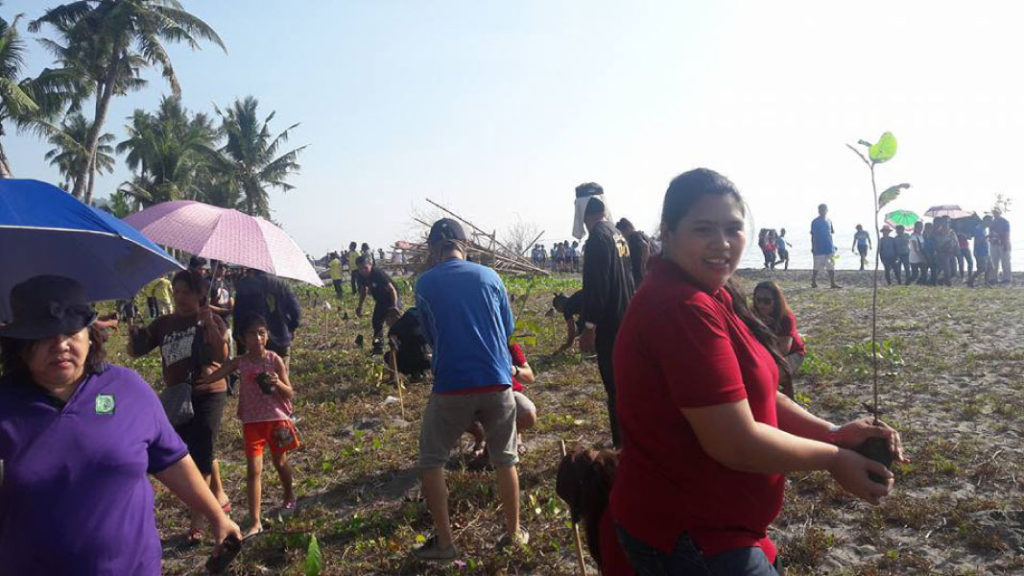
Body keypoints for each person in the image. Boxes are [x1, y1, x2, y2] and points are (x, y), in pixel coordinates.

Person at [610, 168, 906, 575]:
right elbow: (734, 440)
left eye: (734, 228)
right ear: (668, 231)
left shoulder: (715, 292)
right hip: (689, 535)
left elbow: (759, 394)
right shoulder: (681, 307)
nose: (722, 244)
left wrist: (833, 433)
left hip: (725, 528)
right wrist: (834, 459)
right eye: (703, 229)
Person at [0, 275, 242, 574]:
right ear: (20, 346)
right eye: (44, 336)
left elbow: (171, 459)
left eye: (71, 332)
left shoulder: (127, 389)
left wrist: (217, 517)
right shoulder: (7, 405)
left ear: (89, 335)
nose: (60, 345)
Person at [412, 218, 526, 560]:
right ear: (467, 245)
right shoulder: (491, 277)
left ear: (433, 250)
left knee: (431, 461)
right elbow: (506, 329)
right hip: (497, 379)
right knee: (505, 458)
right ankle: (513, 533)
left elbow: (430, 336)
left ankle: (445, 545)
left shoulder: (425, 283)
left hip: (452, 384)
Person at [128, 269, 233, 544]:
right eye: (176, 292)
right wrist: (134, 335)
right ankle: (219, 495)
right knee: (193, 450)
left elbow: (222, 356)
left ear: (200, 293)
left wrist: (210, 325)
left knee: (199, 458)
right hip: (178, 396)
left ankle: (199, 518)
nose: (179, 297)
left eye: (185, 292)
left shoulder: (211, 319)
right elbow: (136, 351)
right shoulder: (164, 323)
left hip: (209, 391)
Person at [199, 314, 298, 538]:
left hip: (277, 419)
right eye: (252, 334)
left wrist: (278, 382)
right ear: (243, 339)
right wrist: (202, 380)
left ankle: (289, 495)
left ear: (267, 335)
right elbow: (218, 374)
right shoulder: (240, 362)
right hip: (252, 422)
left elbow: (290, 392)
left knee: (280, 463)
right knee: (253, 471)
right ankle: (255, 521)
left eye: (261, 333)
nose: (257, 338)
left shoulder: (274, 360)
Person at [580, 196, 636, 448]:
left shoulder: (596, 240)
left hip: (610, 325)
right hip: (626, 318)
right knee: (626, 386)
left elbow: (597, 288)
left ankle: (622, 448)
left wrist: (589, 327)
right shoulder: (617, 234)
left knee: (616, 390)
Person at [466, 341, 538, 458]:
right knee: (451, 411)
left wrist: (514, 370)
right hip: (471, 393)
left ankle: (511, 437)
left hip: (506, 391)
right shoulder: (463, 341)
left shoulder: (507, 341)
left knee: (527, 414)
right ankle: (481, 437)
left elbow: (530, 376)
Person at [233, 268, 301, 366]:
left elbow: (238, 314)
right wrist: (292, 328)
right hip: (280, 336)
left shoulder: (244, 285)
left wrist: (239, 339)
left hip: (255, 339)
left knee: (257, 376)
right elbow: (296, 312)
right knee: (280, 375)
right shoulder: (282, 284)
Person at [752, 281, 806, 385]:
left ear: (776, 301)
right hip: (765, 353)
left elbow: (784, 350)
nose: (761, 305)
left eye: (767, 301)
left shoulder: (786, 318)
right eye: (758, 300)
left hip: (792, 353)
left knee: (767, 379)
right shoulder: (753, 314)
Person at [356, 255, 401, 355]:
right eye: (360, 269)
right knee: (376, 322)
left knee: (394, 323)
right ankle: (378, 348)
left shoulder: (377, 273)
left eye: (365, 268)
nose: (363, 271)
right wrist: (360, 306)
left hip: (392, 297)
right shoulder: (361, 276)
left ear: (370, 265)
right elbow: (363, 291)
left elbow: (392, 290)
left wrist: (394, 307)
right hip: (381, 300)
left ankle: (400, 346)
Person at [811, 204, 841, 288]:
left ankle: (832, 283)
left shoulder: (829, 221)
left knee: (831, 265)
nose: (822, 211)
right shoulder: (815, 222)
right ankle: (813, 281)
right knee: (817, 266)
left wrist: (833, 245)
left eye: (824, 210)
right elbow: (813, 235)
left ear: (827, 210)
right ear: (818, 211)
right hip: (819, 246)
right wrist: (813, 247)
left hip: (829, 247)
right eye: (821, 210)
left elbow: (831, 233)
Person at [616, 218, 652, 286]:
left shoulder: (634, 237)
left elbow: (627, 260)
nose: (621, 237)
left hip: (640, 278)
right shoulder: (643, 236)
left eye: (621, 233)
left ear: (627, 228)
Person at [989, 207, 1012, 284]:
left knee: (1005, 261)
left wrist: (1006, 244)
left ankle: (1007, 278)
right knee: (993, 261)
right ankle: (993, 278)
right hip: (994, 244)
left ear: (1000, 213)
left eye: (996, 212)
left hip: (1003, 243)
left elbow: (1007, 234)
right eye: (994, 212)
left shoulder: (1005, 222)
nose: (995, 214)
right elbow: (990, 233)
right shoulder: (992, 222)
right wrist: (990, 240)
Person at [970, 216, 992, 287]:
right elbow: (978, 241)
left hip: (985, 251)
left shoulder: (984, 229)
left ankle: (986, 282)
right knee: (981, 268)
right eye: (989, 221)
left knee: (990, 267)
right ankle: (970, 281)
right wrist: (987, 237)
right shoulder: (978, 228)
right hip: (979, 251)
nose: (990, 223)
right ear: (985, 221)